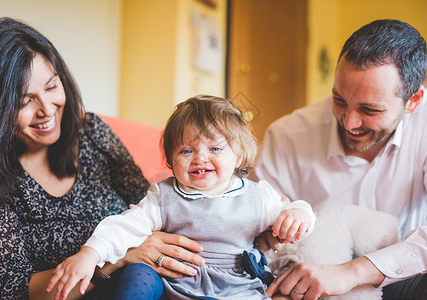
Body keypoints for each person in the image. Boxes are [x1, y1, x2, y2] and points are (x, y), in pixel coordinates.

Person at [0, 17, 205, 300]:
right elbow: (10, 290)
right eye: (25, 101)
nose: (47, 110)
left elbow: (153, 203)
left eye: (51, 87)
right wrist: (119, 258)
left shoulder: (92, 133)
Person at [46, 95, 316, 300]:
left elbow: (293, 208)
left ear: (239, 154)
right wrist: (89, 254)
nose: (200, 158)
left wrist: (299, 215)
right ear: (170, 159)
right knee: (137, 275)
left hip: (236, 288)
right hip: (173, 284)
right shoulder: (164, 195)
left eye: (214, 148)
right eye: (186, 151)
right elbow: (125, 226)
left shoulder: (257, 196)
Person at [254, 19, 427, 299]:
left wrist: (352, 272)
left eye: (370, 110)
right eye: (339, 100)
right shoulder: (288, 135)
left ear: (414, 101)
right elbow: (251, 229)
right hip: (308, 278)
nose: (349, 123)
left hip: (405, 276)